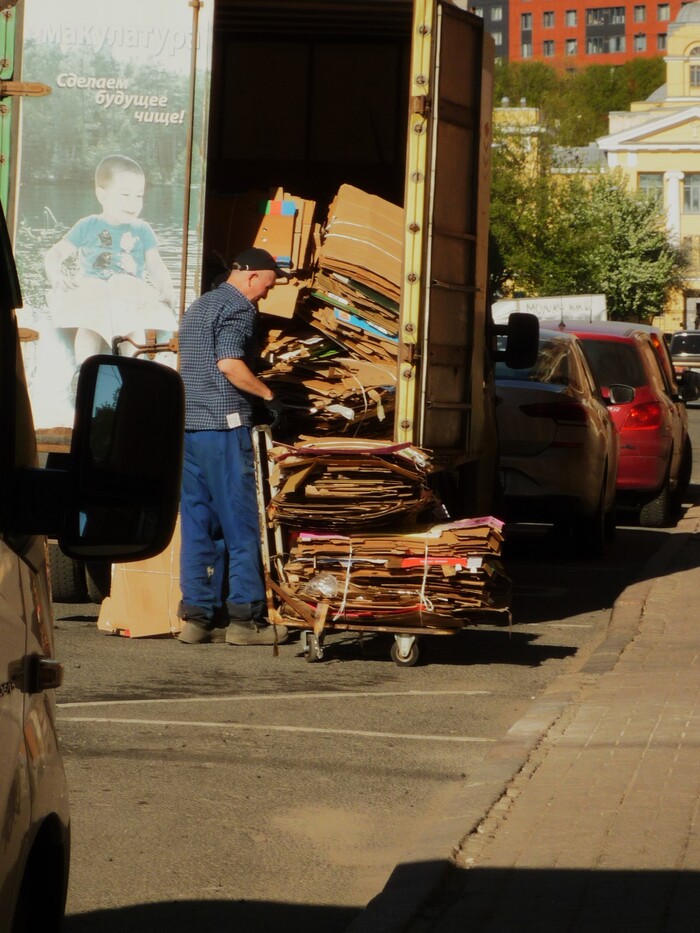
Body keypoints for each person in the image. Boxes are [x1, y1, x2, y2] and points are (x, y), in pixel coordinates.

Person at [177, 247, 288, 646]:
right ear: (252, 277)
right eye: (268, 285)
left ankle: (197, 617)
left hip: (189, 427)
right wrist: (268, 396)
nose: (266, 295)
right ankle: (245, 620)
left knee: (197, 524)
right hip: (224, 427)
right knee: (241, 524)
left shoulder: (199, 306)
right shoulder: (239, 308)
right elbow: (229, 363)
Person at [44, 154, 176, 364]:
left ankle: (134, 370)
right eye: (125, 195)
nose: (133, 203)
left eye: (138, 196)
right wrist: (56, 276)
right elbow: (54, 254)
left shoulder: (142, 229)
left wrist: (166, 288)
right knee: (89, 327)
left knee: (133, 328)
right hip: (94, 290)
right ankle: (83, 371)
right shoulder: (88, 225)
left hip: (128, 291)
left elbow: (155, 265)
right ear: (102, 196)